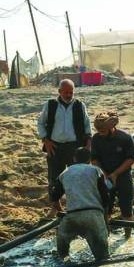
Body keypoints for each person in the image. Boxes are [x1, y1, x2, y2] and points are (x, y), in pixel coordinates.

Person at [37, 79, 92, 213]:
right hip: (55, 147)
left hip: (75, 147)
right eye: (66, 92)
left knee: (76, 176)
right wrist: (46, 140)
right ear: (59, 91)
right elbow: (40, 123)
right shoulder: (50, 105)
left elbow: (87, 125)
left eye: (71, 92)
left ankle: (75, 205)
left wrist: (88, 144)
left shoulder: (79, 105)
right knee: (54, 178)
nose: (68, 95)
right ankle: (55, 207)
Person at [51, 148, 110, 261]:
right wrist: (106, 221)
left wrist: (60, 211)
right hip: (94, 215)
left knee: (62, 255)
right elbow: (105, 198)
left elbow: (54, 196)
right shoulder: (96, 170)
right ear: (90, 160)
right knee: (103, 258)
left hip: (72, 215)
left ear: (74, 159)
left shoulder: (65, 172)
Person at [91, 111, 134, 238]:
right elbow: (94, 159)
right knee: (105, 208)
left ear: (111, 127)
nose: (101, 133)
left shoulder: (125, 138)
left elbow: (130, 159)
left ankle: (128, 236)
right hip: (104, 176)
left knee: (126, 208)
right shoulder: (96, 138)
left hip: (123, 175)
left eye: (103, 131)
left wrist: (115, 174)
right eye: (99, 131)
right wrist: (105, 175)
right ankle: (106, 235)